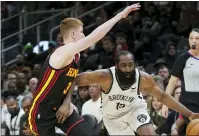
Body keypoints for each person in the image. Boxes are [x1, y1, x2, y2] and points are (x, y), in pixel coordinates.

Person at [28, 3, 141, 136]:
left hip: (61, 107)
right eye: (82, 32)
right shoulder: (62, 52)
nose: (83, 35)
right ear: (73, 34)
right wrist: (119, 16)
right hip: (41, 112)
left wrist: (67, 101)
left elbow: (72, 79)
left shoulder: (76, 55)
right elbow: (94, 37)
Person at [74, 51, 199, 135]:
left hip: (135, 110)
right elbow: (72, 79)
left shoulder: (143, 78)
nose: (128, 69)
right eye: (123, 66)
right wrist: (66, 101)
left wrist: (188, 113)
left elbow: (163, 96)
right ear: (116, 66)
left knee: (150, 134)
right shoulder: (104, 76)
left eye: (130, 65)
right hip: (113, 117)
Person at [162, 28, 199, 134]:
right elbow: (172, 82)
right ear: (188, 40)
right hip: (188, 102)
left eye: (197, 38)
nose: (194, 41)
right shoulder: (182, 59)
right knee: (196, 130)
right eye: (191, 38)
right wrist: (165, 104)